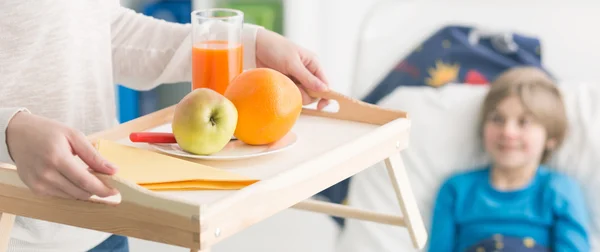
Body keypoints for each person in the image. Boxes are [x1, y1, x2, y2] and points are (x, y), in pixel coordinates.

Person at [0, 1, 330, 252]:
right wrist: (8, 131)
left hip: (100, 220)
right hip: (14, 232)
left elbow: (103, 29)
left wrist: (243, 44)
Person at [428, 67, 590, 252]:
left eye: (524, 122)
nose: (508, 132)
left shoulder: (559, 190)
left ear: (551, 137)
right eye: (497, 119)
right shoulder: (457, 190)